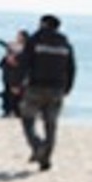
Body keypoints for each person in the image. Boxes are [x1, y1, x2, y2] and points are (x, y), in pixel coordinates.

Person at [18, 14, 76, 171]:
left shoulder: (35, 40)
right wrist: (68, 88)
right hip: (57, 89)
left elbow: (24, 62)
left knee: (28, 120)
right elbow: (71, 68)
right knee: (51, 125)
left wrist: (17, 83)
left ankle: (38, 147)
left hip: (35, 87)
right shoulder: (65, 43)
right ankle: (46, 159)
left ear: (43, 24)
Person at [0, 24, 28, 118]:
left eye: (19, 35)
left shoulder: (27, 48)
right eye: (18, 35)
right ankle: (8, 111)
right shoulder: (12, 45)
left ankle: (17, 111)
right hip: (7, 70)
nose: (17, 37)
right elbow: (0, 42)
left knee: (18, 92)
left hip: (18, 72)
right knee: (7, 90)